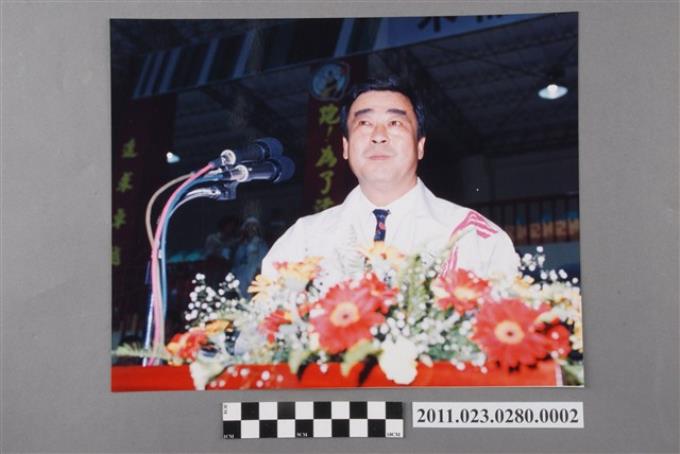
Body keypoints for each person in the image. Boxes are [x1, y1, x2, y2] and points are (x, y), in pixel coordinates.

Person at [262, 77, 518, 286]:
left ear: (420, 145)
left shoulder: (474, 237)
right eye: (364, 123)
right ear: (346, 147)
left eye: (395, 123)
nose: (379, 136)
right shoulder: (303, 239)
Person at [232, 217, 269, 296]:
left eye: (254, 226)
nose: (251, 229)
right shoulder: (241, 243)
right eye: (249, 226)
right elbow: (236, 260)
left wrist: (258, 272)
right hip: (241, 273)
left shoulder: (261, 243)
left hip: (254, 272)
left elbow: (264, 258)